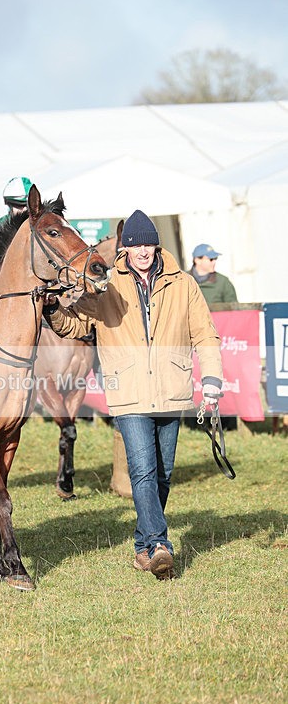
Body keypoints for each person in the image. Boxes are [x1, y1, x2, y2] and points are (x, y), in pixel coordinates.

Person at [44, 210, 223, 580]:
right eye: (134, 244)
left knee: (163, 475)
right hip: (128, 393)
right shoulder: (108, 287)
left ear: (156, 245)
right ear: (125, 249)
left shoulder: (183, 284)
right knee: (142, 471)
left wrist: (212, 382)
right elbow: (76, 322)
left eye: (147, 243)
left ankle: (143, 544)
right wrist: (52, 311)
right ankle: (160, 545)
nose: (142, 250)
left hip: (172, 390)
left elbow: (205, 334)